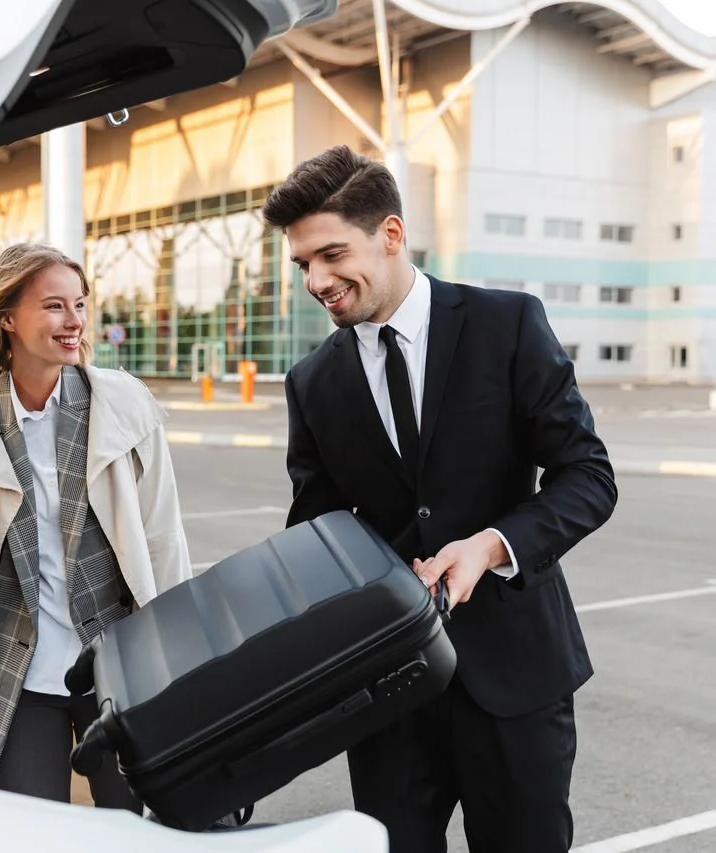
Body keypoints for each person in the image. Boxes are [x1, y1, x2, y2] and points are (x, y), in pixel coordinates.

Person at [263, 145, 618, 853]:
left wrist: (490, 546)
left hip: (515, 677)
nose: (318, 280)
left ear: (391, 235)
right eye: (303, 263)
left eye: (332, 254)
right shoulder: (312, 381)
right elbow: (318, 529)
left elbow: (588, 475)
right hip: (386, 692)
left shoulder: (507, 324)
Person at [0, 241, 192, 807]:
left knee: (130, 828)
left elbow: (164, 540)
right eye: (54, 306)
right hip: (18, 673)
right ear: (7, 318)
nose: (74, 322)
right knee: (32, 831)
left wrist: (181, 658)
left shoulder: (125, 406)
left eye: (79, 305)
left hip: (117, 662)